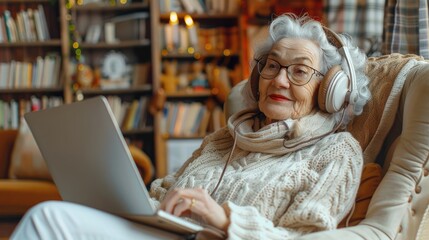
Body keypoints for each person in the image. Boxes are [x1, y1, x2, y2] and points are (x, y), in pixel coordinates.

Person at [11, 13, 370, 240]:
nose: (279, 80)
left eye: (300, 71)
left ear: (329, 91)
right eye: (272, 66)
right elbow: (165, 190)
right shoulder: (223, 138)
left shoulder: (336, 152)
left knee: (48, 220)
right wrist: (139, 202)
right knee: (52, 217)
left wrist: (227, 220)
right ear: (257, 78)